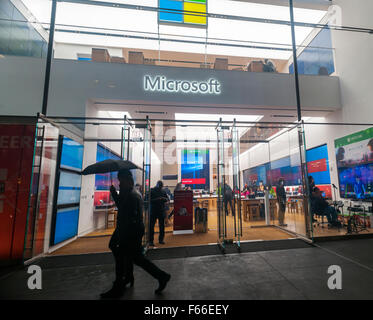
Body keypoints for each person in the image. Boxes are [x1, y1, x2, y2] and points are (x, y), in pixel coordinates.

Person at [101, 169, 171, 299]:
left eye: (121, 181)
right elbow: (124, 209)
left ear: (127, 180)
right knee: (133, 257)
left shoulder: (131, 195)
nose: (119, 184)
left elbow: (124, 210)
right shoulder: (131, 193)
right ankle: (132, 278)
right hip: (129, 229)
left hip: (129, 231)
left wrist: (114, 195)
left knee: (127, 256)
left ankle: (120, 285)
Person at [149, 180, 169, 246]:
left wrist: (163, 199)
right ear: (157, 185)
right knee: (152, 226)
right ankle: (151, 241)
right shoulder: (151, 191)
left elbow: (167, 199)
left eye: (161, 186)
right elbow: (148, 200)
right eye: (160, 186)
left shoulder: (163, 191)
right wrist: (159, 199)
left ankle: (160, 240)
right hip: (154, 210)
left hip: (160, 210)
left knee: (161, 226)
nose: (161, 187)